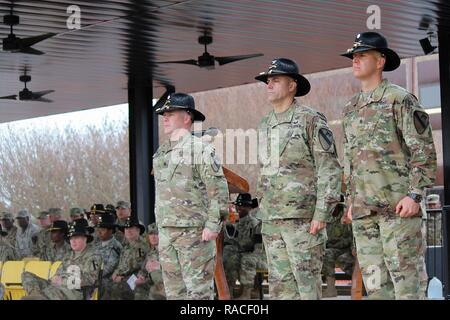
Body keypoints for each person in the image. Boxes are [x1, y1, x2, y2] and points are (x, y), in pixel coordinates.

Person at [341, 32, 437, 299]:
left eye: (362, 55)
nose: (355, 60)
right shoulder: (351, 108)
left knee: (407, 287)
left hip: (399, 211)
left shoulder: (400, 100)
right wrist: (352, 200)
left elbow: (424, 150)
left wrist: (415, 195)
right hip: (364, 214)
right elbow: (351, 160)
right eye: (354, 56)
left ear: (380, 60)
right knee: (376, 288)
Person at [255, 58, 342, 299]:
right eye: (267, 81)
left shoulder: (310, 120)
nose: (269, 85)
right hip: (272, 220)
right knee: (280, 288)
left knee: (306, 286)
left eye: (275, 80)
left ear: (292, 85)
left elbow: (329, 168)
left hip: (303, 220)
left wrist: (322, 213)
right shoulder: (265, 124)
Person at [153, 93, 229, 299]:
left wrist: (213, 225)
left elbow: (219, 190)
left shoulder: (201, 150)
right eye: (164, 114)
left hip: (194, 233)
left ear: (187, 117)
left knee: (199, 294)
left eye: (170, 113)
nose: (165, 118)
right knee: (174, 294)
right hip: (168, 234)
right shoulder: (161, 154)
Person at [22, 220, 102, 300]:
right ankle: (36, 294)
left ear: (85, 238)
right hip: (56, 287)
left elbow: (89, 280)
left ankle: (38, 297)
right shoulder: (69, 254)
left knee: (50, 292)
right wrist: (55, 278)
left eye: (76, 238)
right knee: (27, 275)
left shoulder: (93, 256)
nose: (73, 241)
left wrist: (63, 281)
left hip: (74, 291)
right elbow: (58, 273)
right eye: (71, 238)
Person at [223, 193, 267, 299]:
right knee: (228, 255)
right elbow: (228, 241)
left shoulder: (256, 223)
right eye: (238, 205)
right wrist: (229, 226)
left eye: (243, 205)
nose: (239, 208)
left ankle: (246, 292)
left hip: (253, 252)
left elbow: (258, 246)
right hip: (236, 252)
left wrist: (237, 235)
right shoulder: (232, 221)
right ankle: (228, 290)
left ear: (249, 208)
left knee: (248, 259)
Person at [105, 217, 148, 300]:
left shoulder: (142, 246)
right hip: (124, 278)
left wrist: (121, 277)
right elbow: (121, 264)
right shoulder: (126, 247)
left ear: (138, 230)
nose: (128, 231)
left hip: (136, 278)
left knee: (116, 289)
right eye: (126, 229)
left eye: (131, 228)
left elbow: (137, 266)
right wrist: (116, 272)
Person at [321, 197, 355, 298]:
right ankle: (331, 289)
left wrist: (354, 248)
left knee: (343, 259)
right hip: (329, 250)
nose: (333, 207)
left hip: (347, 250)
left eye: (336, 205)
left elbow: (355, 234)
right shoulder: (323, 215)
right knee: (326, 254)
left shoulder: (346, 214)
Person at [93, 213, 122, 299]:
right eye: (98, 228)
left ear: (110, 230)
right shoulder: (97, 245)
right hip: (93, 279)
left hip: (107, 282)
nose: (99, 231)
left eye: (103, 229)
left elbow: (107, 270)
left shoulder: (116, 247)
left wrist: (88, 276)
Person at [134, 222, 166, 300]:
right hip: (152, 282)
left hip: (166, 283)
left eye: (156, 234)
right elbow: (144, 269)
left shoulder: (167, 251)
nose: (153, 237)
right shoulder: (151, 252)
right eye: (151, 234)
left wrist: (160, 266)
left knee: (154, 292)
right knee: (137, 288)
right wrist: (141, 276)